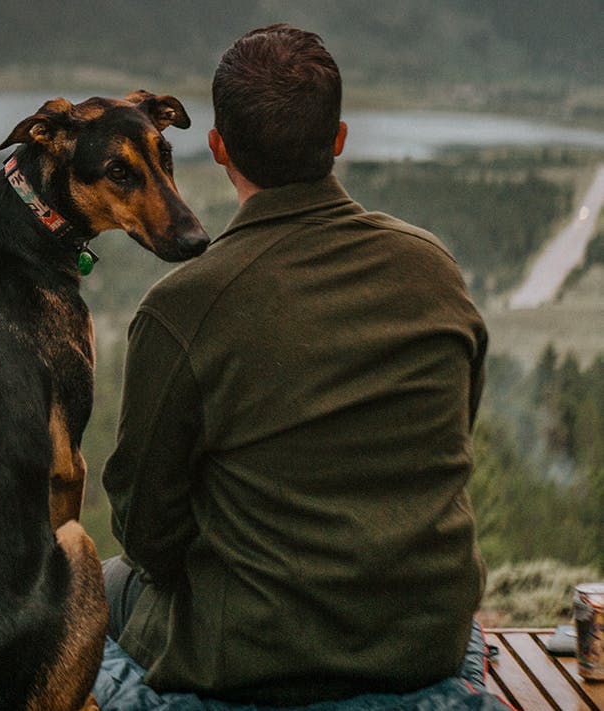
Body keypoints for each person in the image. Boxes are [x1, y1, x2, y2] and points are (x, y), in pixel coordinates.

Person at [101, 23, 489, 707]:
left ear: (218, 148)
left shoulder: (184, 306)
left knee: (90, 582)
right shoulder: (431, 267)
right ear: (337, 139)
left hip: (252, 653)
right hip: (422, 637)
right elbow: (452, 432)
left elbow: (145, 531)